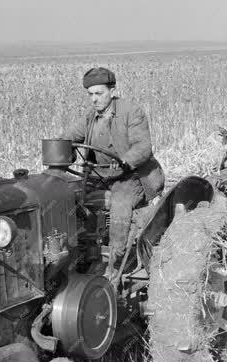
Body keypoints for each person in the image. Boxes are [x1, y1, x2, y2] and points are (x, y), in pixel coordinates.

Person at [62, 67, 164, 282]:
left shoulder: (131, 112)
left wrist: (126, 161)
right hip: (102, 177)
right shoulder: (91, 118)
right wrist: (59, 151)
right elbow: (69, 137)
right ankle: (81, 252)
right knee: (68, 196)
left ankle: (115, 261)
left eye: (99, 93)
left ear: (113, 91)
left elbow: (143, 147)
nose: (94, 99)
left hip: (134, 176)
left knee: (120, 202)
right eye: (90, 94)